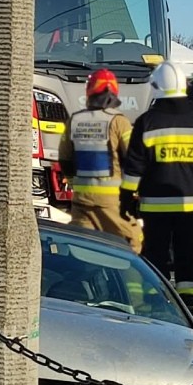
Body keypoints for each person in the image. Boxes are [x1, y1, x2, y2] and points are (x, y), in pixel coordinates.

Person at [121, 62, 193, 312]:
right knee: (186, 254)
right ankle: (188, 301)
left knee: (155, 254)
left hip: (154, 204)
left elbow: (134, 167)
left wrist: (127, 198)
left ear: (157, 88)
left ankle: (156, 300)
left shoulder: (147, 122)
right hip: (188, 204)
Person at [59, 68, 142, 252]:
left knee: (82, 251)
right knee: (132, 243)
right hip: (112, 201)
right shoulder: (119, 122)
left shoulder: (74, 120)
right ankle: (132, 282)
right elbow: (132, 158)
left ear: (90, 91)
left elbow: (64, 159)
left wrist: (74, 182)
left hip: (82, 201)